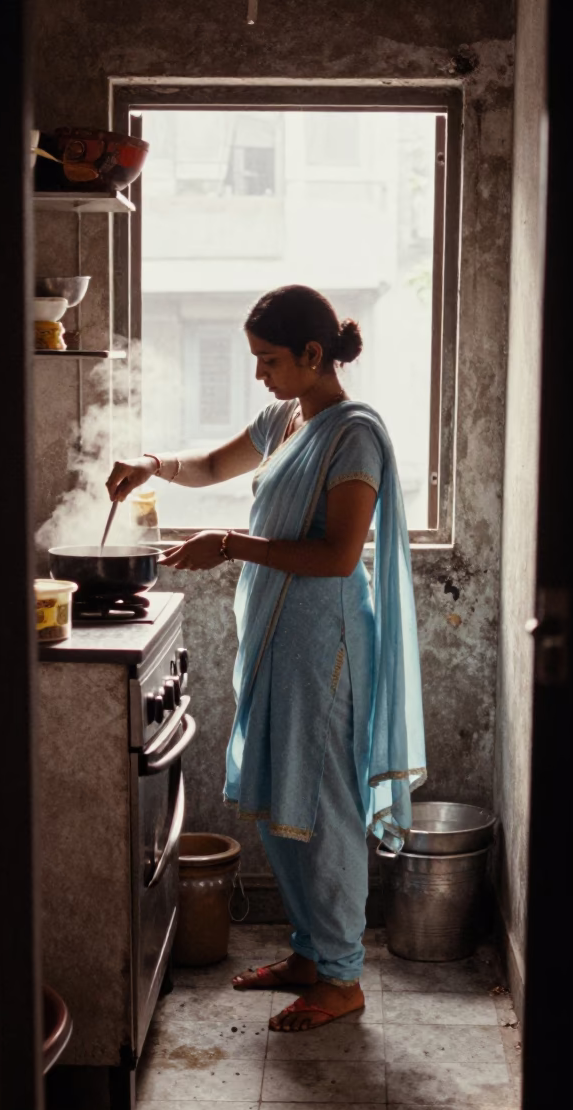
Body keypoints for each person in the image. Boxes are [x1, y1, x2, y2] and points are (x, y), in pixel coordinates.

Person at [107, 284, 426, 1032]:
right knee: (282, 800)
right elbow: (213, 464)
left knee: (325, 810)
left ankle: (343, 977)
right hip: (278, 640)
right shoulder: (286, 416)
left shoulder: (354, 435)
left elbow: (341, 555)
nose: (260, 375)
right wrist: (152, 463)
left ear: (314, 356)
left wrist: (231, 545)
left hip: (327, 647)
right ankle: (312, 954)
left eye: (270, 360)